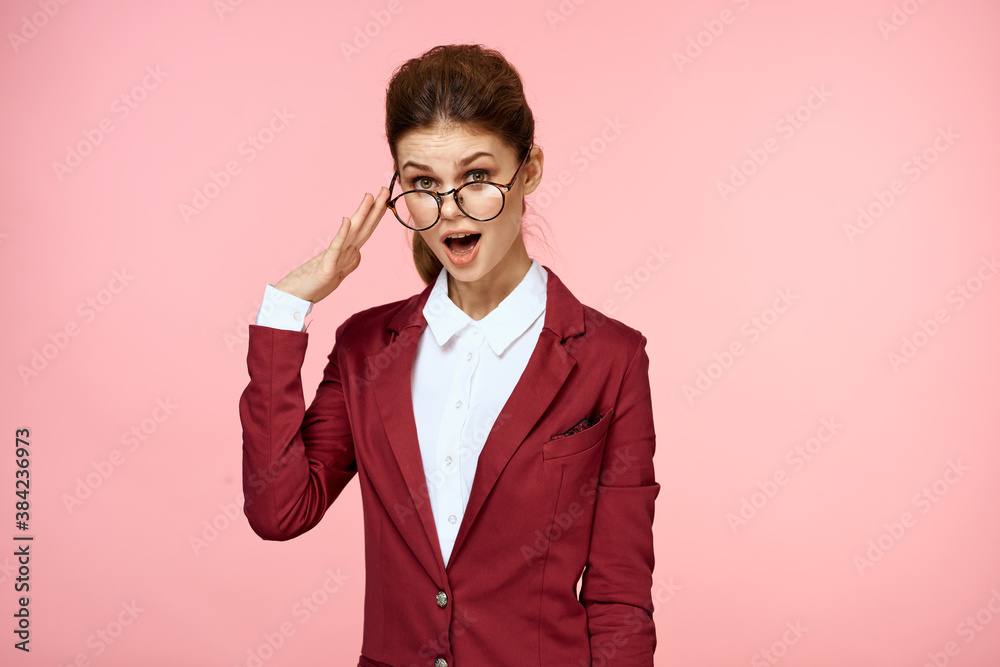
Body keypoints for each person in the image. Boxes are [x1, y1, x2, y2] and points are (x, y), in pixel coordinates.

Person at [239, 43, 659, 667]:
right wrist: (285, 306)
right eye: (423, 184)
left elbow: (619, 597)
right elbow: (279, 510)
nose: (451, 210)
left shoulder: (610, 359)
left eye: (477, 177)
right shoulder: (363, 348)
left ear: (530, 171)